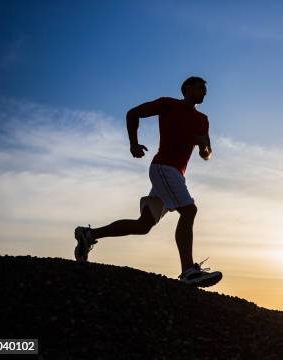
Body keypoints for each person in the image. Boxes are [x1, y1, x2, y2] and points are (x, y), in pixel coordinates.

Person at [73, 76, 222, 288]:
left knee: (143, 225)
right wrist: (133, 144)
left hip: (175, 174)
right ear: (187, 89)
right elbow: (133, 113)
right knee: (189, 211)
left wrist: (204, 147)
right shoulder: (168, 104)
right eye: (201, 88)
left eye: (206, 89)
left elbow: (206, 154)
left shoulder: (203, 120)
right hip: (164, 168)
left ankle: (89, 234)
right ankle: (188, 271)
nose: (205, 92)